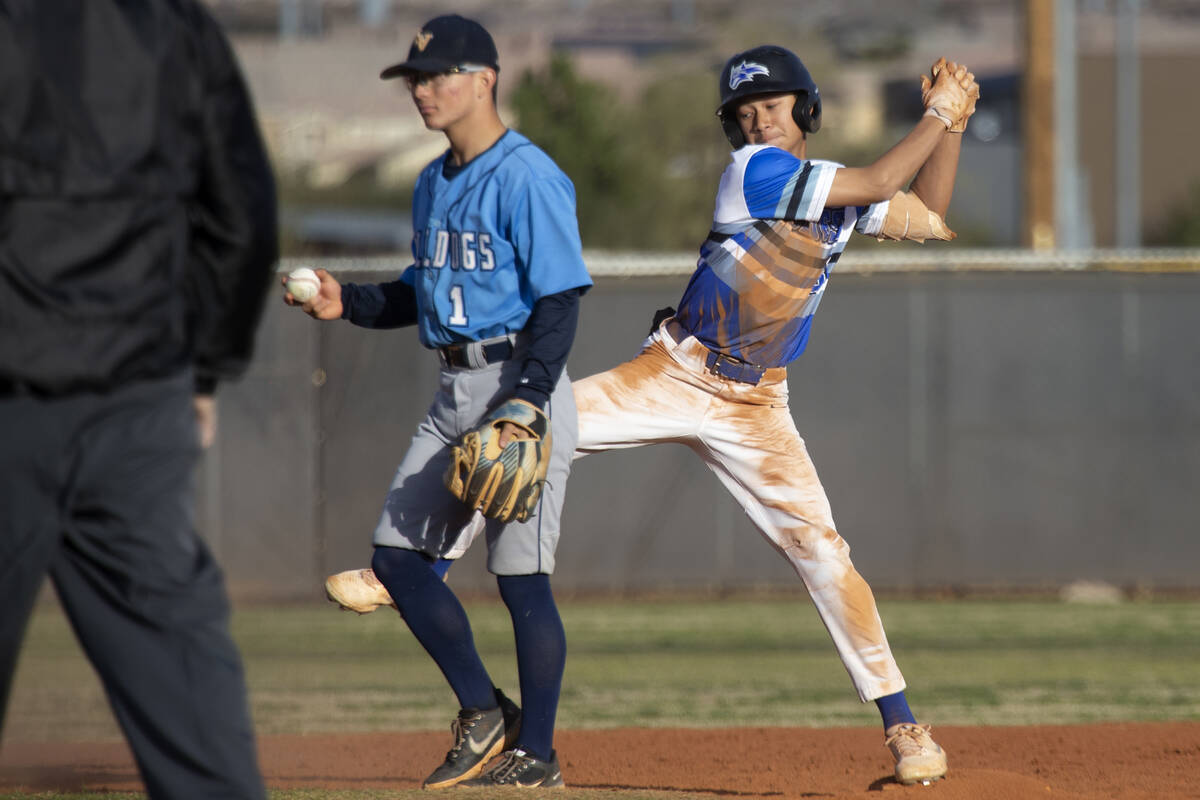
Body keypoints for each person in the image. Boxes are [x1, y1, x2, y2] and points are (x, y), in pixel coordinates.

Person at [328, 45, 979, 787]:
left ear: (805, 108)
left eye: (771, 105)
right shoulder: (757, 173)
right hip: (675, 371)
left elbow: (926, 211)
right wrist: (939, 112)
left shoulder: (834, 193)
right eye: (743, 113)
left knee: (824, 553)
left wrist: (954, 123)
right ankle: (416, 570)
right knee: (525, 437)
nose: (757, 120)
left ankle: (905, 731)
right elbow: (886, 176)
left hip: (758, 402)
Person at [286, 14, 592, 790]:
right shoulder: (432, 181)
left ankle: (540, 756)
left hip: (522, 383)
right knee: (396, 559)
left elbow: (559, 300)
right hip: (454, 387)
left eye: (438, 76)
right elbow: (424, 292)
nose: (423, 90)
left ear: (485, 78)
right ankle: (485, 710)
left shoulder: (529, 175)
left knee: (521, 580)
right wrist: (345, 303)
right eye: (415, 79)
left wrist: (526, 403)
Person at [0, 2, 278, 798]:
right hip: (136, 399)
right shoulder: (170, 26)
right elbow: (243, 217)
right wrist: (201, 371)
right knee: (187, 700)